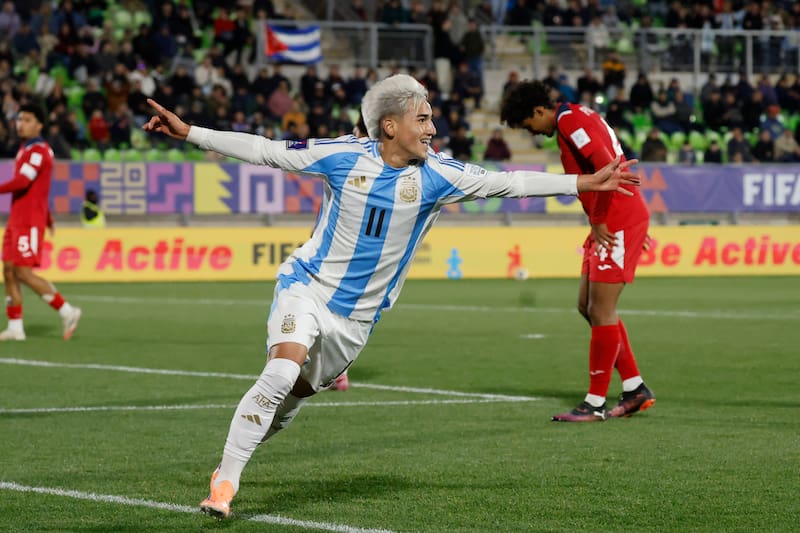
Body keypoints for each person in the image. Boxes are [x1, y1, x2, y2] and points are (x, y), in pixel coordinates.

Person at [142, 74, 640, 517]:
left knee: (290, 399)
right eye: (421, 119)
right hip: (307, 287)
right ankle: (225, 483)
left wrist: (583, 180)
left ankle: (236, 455)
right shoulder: (341, 156)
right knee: (280, 370)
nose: (431, 128)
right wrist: (190, 132)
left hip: (356, 321)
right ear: (389, 126)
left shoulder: (439, 176)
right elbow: (267, 150)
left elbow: (507, 182)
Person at [500, 80, 655, 423]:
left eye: (529, 125)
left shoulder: (570, 122)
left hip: (614, 219)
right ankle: (634, 388)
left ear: (539, 112)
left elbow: (606, 168)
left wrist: (605, 220)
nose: (532, 133)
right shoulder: (574, 116)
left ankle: (594, 403)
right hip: (615, 218)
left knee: (600, 309)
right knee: (587, 306)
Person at [0, 104, 82, 341]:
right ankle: (16, 327)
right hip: (17, 219)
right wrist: (48, 216)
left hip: (28, 222)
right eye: (19, 119)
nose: (20, 124)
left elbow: (23, 182)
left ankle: (68, 311)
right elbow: (39, 188)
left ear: (39, 125)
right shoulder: (25, 148)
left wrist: (43, 217)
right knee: (8, 271)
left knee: (22, 272)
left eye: (27, 120)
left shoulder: (39, 151)